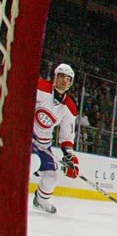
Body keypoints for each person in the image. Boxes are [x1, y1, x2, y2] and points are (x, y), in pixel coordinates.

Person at [31, 62, 79, 214]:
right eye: (62, 76)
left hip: (44, 144)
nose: (65, 80)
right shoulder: (41, 88)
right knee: (32, 162)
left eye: (69, 78)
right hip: (28, 137)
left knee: (52, 175)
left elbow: (66, 135)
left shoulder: (70, 106)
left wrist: (70, 157)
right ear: (55, 77)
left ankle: (41, 200)